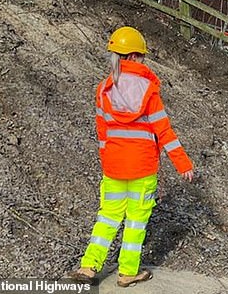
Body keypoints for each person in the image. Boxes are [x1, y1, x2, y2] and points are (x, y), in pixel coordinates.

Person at [70, 26, 194, 287]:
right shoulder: (149, 90)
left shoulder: (103, 89)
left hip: (114, 166)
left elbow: (102, 132)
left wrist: (108, 156)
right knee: (136, 221)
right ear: (137, 56)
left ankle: (89, 267)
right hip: (142, 167)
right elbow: (164, 131)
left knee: (108, 216)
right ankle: (127, 273)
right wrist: (183, 163)